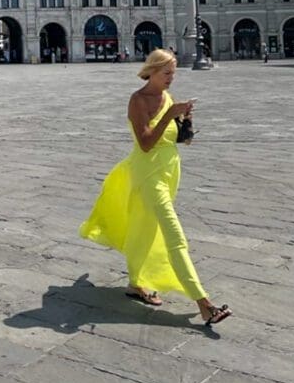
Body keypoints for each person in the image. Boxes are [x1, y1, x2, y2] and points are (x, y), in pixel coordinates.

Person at [79, 48, 231, 327]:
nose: (171, 78)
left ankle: (136, 283)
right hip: (148, 174)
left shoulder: (167, 98)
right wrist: (169, 113)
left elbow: (182, 141)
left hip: (169, 172)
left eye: (173, 73)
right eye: (167, 73)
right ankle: (204, 303)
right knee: (174, 235)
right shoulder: (138, 100)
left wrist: (186, 120)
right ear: (152, 71)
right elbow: (146, 143)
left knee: (144, 228)